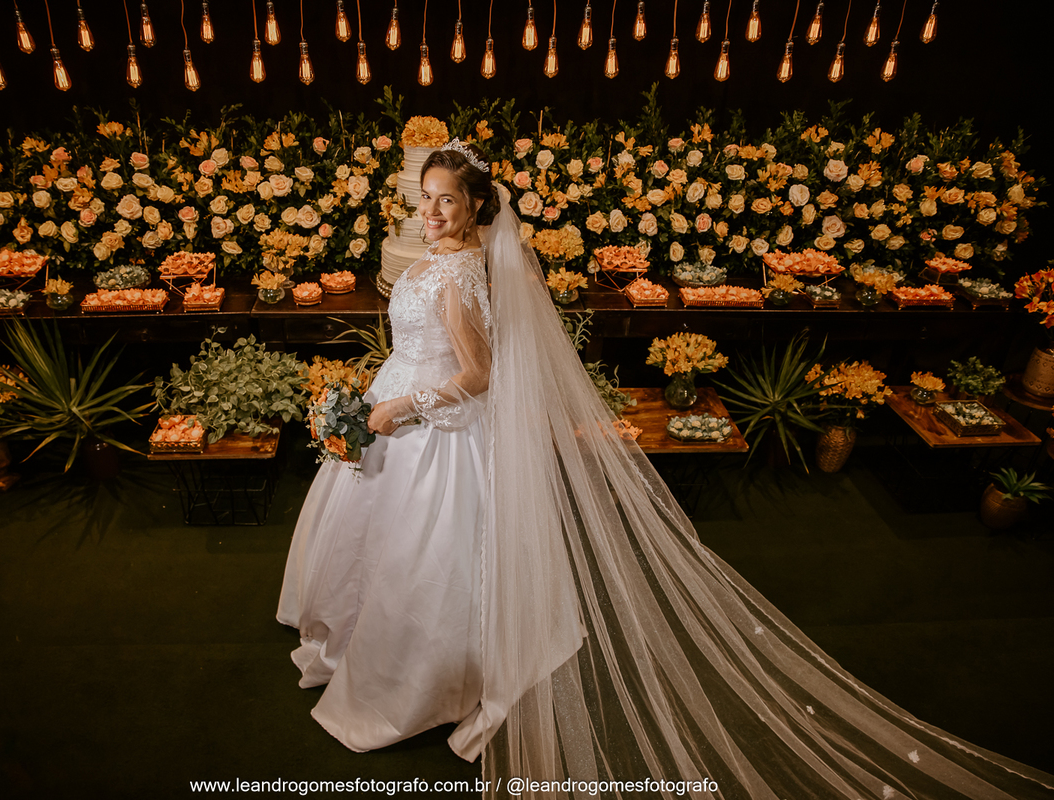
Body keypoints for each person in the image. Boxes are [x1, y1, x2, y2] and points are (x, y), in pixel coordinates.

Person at [279, 141, 1054, 799]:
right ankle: (371, 632)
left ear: (477, 206)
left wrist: (402, 407)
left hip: (430, 426)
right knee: (382, 544)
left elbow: (479, 374)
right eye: (425, 198)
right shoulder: (443, 260)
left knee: (429, 557)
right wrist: (382, 396)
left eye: (446, 200)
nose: (431, 211)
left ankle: (425, 676)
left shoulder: (459, 274)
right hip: (399, 409)